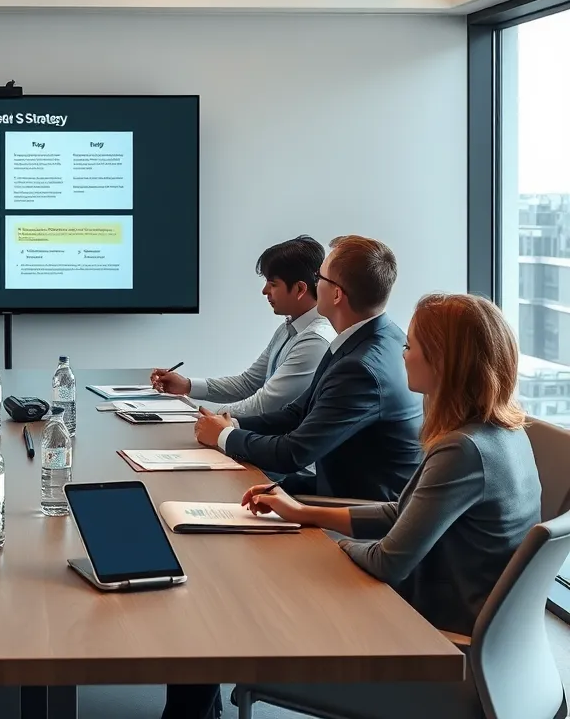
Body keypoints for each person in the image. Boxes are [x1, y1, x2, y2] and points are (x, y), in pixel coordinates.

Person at [164, 292, 541, 719]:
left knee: (222, 591)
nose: (402, 354)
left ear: (442, 362)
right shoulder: (501, 432)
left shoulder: (462, 450)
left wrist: (327, 547)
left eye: (412, 346)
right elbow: (400, 514)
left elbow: (386, 563)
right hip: (461, 626)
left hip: (424, 637)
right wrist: (305, 514)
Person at [194, 235, 423, 501]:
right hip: (334, 490)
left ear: (337, 294)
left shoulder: (361, 367)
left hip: (357, 511)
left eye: (320, 276)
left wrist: (225, 435)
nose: (315, 283)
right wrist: (232, 423)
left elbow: (293, 453)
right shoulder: (375, 336)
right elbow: (299, 412)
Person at [151, 235, 333, 417]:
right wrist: (187, 386)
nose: (264, 291)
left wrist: (194, 414)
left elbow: (263, 406)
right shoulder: (288, 329)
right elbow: (248, 383)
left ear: (300, 289)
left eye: (273, 284)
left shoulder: (314, 341)